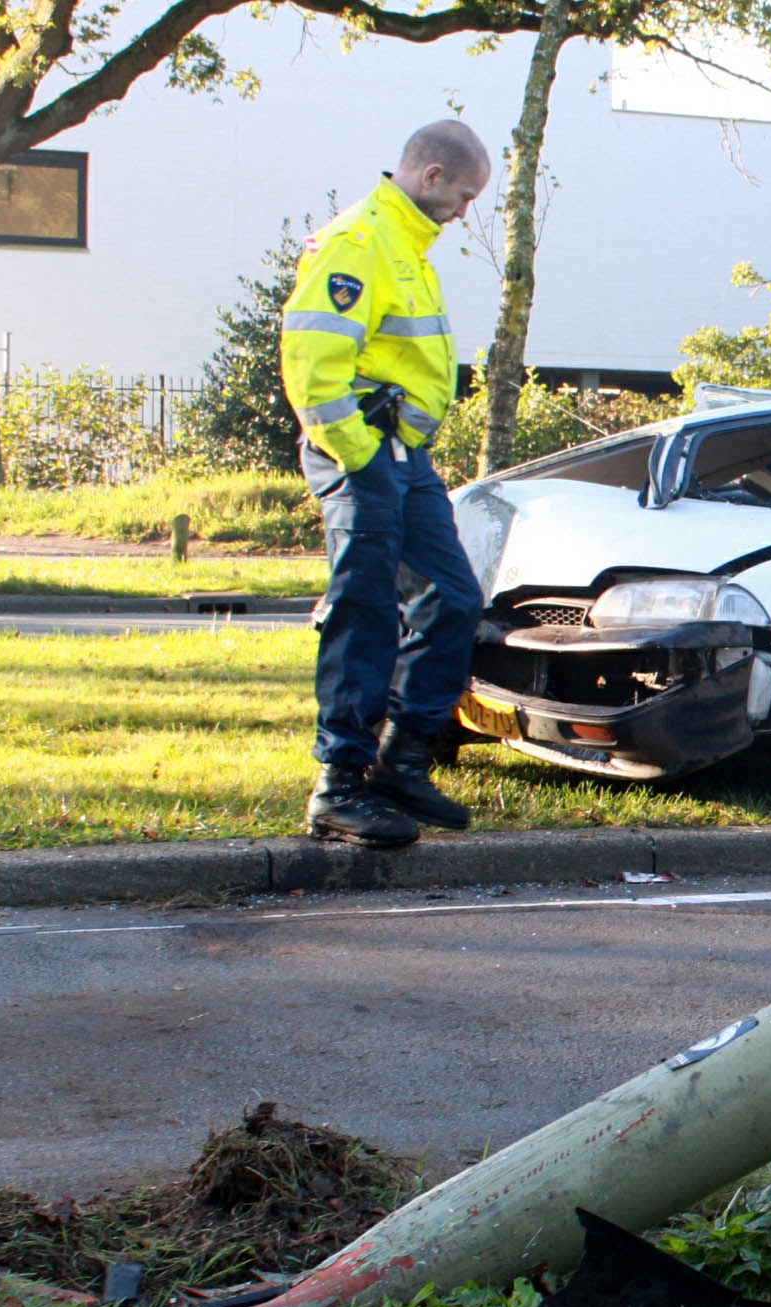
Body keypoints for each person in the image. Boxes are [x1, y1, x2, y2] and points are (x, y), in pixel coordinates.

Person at [280, 120, 490, 848]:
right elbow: (311, 364)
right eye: (464, 196)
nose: (466, 212)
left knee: (456, 598)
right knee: (364, 604)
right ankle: (339, 785)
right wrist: (360, 452)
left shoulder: (406, 245)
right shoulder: (360, 243)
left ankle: (400, 761)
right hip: (365, 451)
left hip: (399, 452)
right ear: (431, 175)